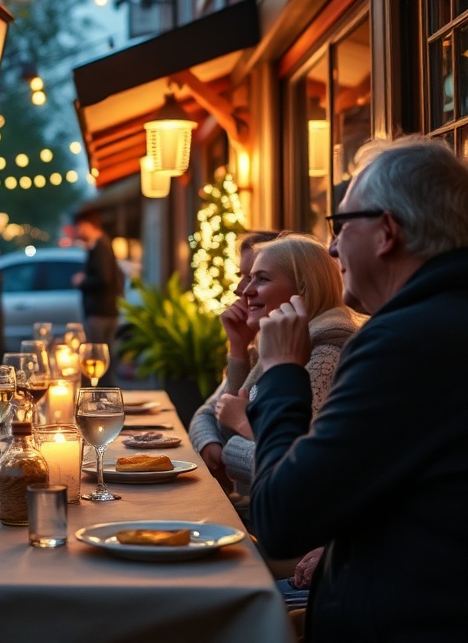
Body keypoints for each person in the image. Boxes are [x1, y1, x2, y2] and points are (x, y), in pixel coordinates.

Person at [249, 136, 468, 641]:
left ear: (386, 231)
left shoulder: (402, 342)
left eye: (341, 225)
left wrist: (283, 371)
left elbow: (281, 516)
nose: (331, 246)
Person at [190, 229, 281, 492]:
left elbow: (293, 466)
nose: (240, 288)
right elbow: (208, 413)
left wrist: (228, 450)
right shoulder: (259, 340)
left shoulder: (304, 349)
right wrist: (238, 347)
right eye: (243, 276)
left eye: (256, 277)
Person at [71, 208, 122, 387]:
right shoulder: (99, 246)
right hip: (104, 311)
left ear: (87, 225)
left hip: (101, 313)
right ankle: (103, 397)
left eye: (80, 227)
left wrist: (82, 281)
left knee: (99, 360)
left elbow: (104, 278)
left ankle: (103, 399)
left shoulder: (101, 247)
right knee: (102, 360)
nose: (78, 232)